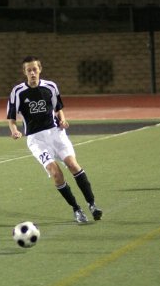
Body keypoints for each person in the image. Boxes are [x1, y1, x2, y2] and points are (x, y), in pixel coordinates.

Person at [7, 56, 103, 223]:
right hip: (36, 140)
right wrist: (14, 131)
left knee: (73, 165)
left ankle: (92, 204)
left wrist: (63, 120)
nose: (32, 73)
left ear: (40, 70)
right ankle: (76, 209)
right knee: (55, 173)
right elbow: (11, 117)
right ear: (24, 72)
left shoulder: (50, 87)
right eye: (28, 70)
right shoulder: (18, 92)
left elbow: (58, 109)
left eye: (34, 69)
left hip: (56, 134)